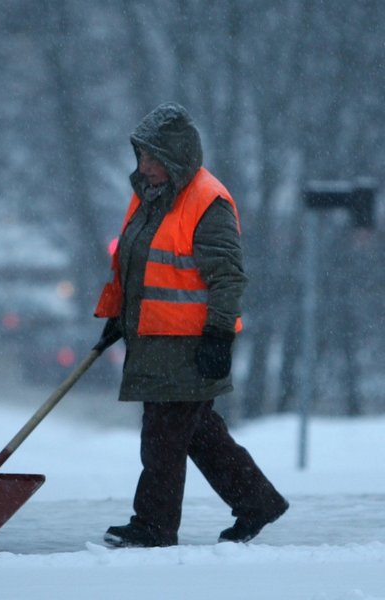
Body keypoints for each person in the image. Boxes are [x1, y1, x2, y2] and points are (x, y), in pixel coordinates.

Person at [93, 102, 288, 548]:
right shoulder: (150, 198)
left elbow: (228, 276)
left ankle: (154, 526)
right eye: (140, 155)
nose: (143, 166)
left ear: (177, 157)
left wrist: (219, 334)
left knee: (162, 436)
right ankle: (257, 501)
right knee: (198, 433)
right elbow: (138, 265)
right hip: (154, 339)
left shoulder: (206, 202)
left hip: (189, 343)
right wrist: (119, 317)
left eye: (152, 157)